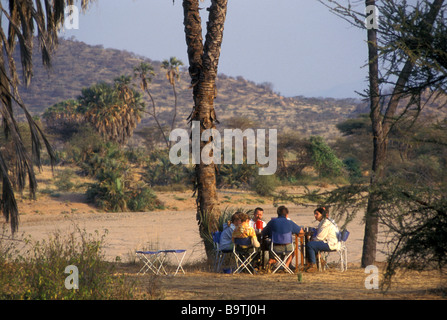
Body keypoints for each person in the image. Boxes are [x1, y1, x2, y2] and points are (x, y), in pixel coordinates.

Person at [261, 206, 304, 270]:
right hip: (288, 248)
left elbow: (263, 232)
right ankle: (286, 266)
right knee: (294, 249)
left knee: (268, 244)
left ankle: (272, 261)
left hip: (275, 248)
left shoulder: (272, 222)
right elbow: (301, 231)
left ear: (277, 214)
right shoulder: (290, 222)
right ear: (286, 215)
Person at [305, 207, 340, 273]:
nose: (315, 216)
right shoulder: (322, 222)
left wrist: (312, 238)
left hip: (331, 243)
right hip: (328, 242)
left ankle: (313, 265)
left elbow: (320, 238)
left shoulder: (325, 223)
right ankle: (320, 260)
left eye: (317, 214)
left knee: (310, 245)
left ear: (322, 214)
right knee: (312, 244)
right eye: (315, 214)